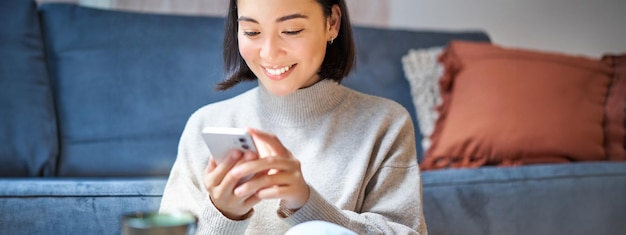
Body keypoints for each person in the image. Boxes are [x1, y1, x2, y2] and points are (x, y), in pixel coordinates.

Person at [159, 0, 428, 234]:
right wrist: (224, 214)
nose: (270, 52)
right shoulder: (205, 125)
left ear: (332, 23)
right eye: (252, 31)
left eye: (291, 30)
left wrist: (305, 202)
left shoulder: (386, 124)